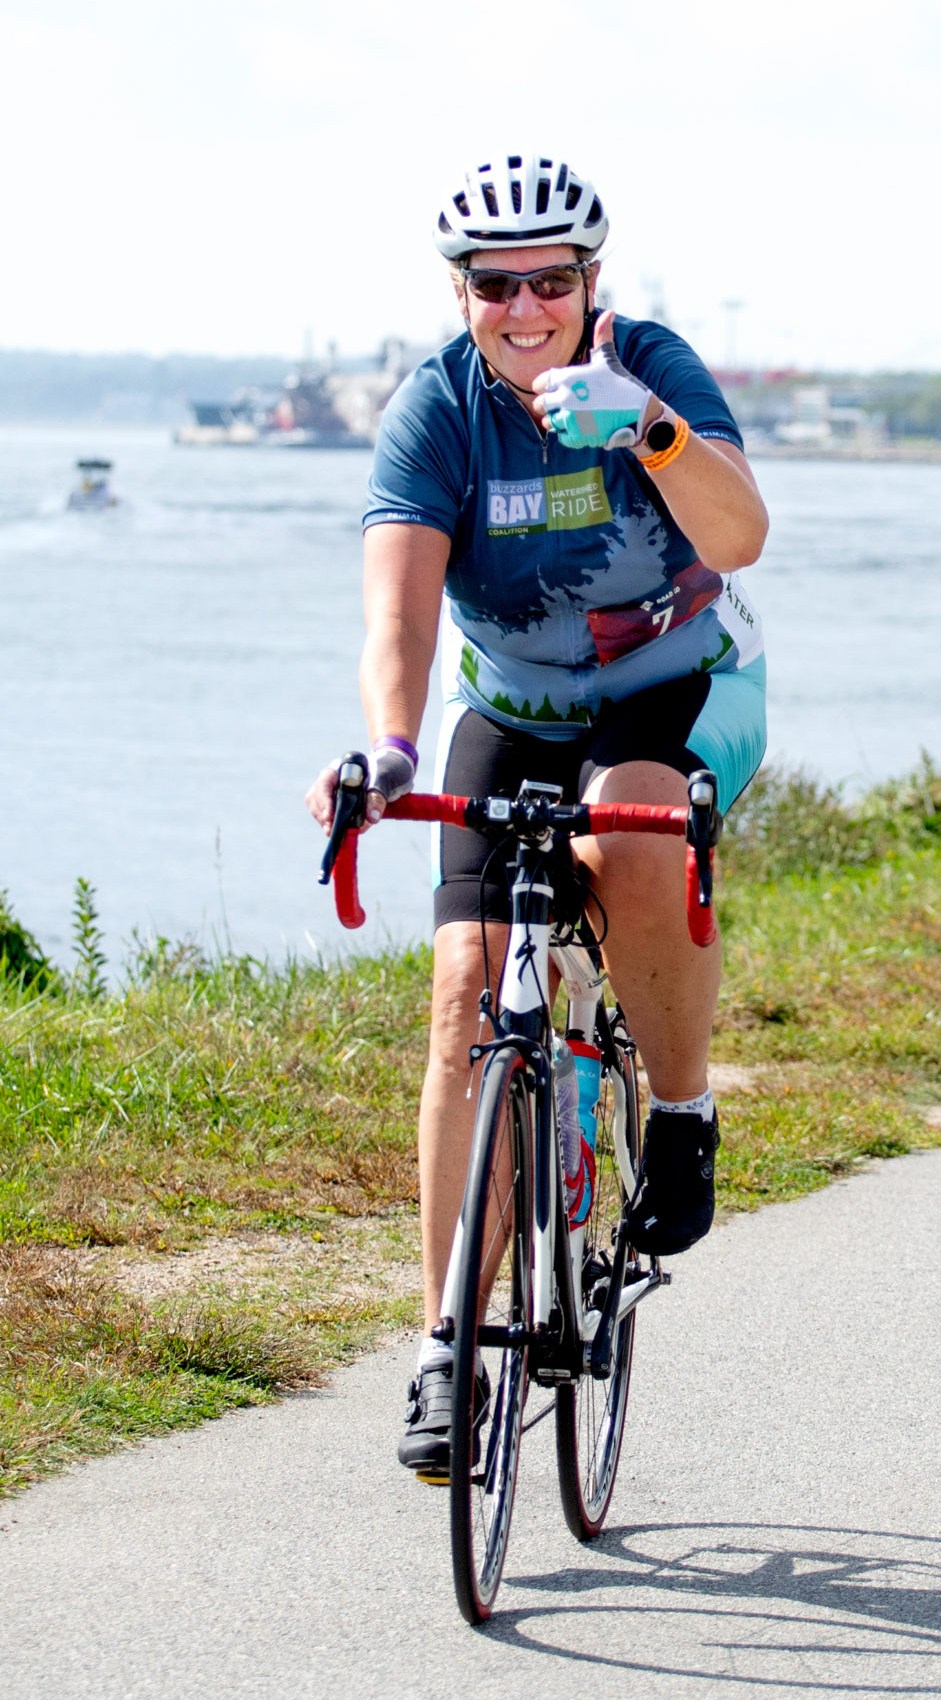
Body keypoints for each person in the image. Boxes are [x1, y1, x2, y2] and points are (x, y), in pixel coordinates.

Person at [302, 156, 770, 1478]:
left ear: (591, 283)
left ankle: (678, 1109)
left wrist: (652, 431)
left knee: (628, 831)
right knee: (464, 990)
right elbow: (396, 615)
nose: (524, 307)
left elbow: (740, 536)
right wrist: (390, 749)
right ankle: (447, 1336)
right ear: (461, 294)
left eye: (549, 281)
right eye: (494, 285)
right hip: (512, 701)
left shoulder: (653, 362)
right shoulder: (436, 410)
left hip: (683, 685)